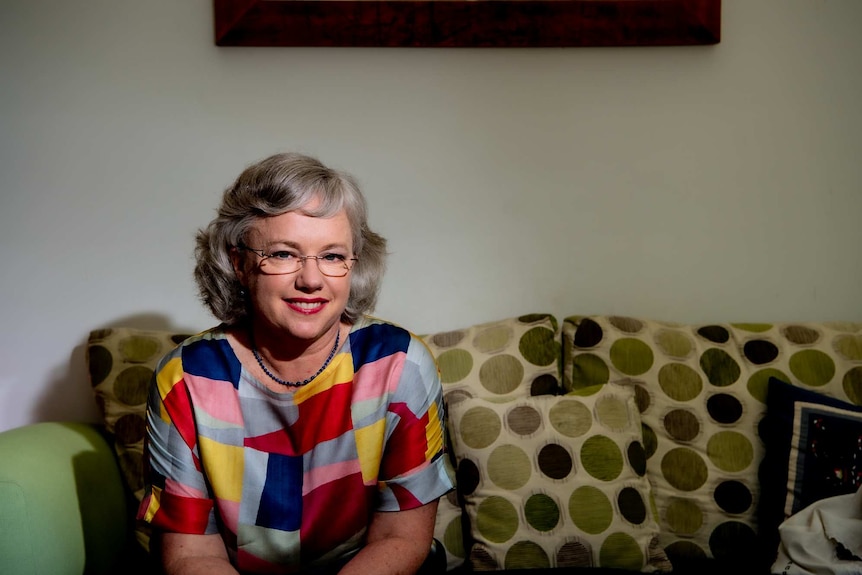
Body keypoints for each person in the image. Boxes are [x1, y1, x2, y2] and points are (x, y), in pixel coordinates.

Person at [137, 152, 455, 575]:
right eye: (285, 254)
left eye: (333, 255)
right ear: (239, 263)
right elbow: (192, 555)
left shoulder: (399, 364)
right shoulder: (186, 380)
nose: (311, 279)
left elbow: (401, 537)